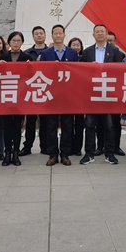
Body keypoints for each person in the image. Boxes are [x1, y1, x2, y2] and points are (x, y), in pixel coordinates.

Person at [80, 24, 122, 165]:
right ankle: (89, 154)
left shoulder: (114, 51)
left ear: (106, 34)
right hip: (91, 93)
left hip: (108, 92)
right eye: (97, 31)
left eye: (102, 31)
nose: (99, 33)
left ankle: (109, 154)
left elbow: (120, 70)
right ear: (93, 35)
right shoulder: (87, 52)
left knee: (109, 125)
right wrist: (89, 67)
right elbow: (80, 71)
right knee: (89, 124)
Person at [39, 25, 79, 166]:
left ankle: (65, 154)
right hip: (51, 95)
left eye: (60, 33)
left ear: (64, 35)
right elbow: (41, 72)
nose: (57, 35)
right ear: (52, 35)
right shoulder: (46, 53)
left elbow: (77, 72)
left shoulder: (72, 53)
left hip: (67, 95)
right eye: (55, 33)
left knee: (67, 125)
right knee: (51, 126)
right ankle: (53, 154)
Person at [0, 31, 33, 166]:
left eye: (18, 41)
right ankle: (8, 153)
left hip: (20, 97)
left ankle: (16, 153)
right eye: (13, 40)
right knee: (7, 126)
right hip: (6, 96)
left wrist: (30, 67)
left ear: (22, 42)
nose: (16, 43)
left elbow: (32, 76)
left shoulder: (27, 57)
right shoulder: (3, 57)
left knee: (17, 126)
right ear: (9, 42)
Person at [20, 26, 49, 157]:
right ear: (32, 36)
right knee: (30, 121)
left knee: (45, 121)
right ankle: (27, 146)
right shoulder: (27, 53)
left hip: (45, 90)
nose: (39, 35)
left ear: (45, 35)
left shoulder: (50, 52)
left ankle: (45, 146)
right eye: (36, 34)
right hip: (31, 91)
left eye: (41, 33)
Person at [67, 37, 85, 156]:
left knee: (79, 123)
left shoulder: (85, 59)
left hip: (81, 96)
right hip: (68, 95)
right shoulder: (66, 58)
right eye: (73, 45)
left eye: (78, 45)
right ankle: (68, 147)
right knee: (68, 123)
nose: (76, 47)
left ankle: (77, 148)